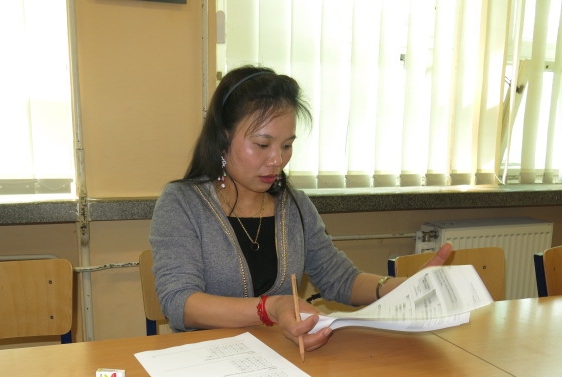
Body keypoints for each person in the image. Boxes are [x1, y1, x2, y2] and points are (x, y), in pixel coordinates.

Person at [149, 65, 451, 351]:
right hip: (204, 361)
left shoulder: (294, 206)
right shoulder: (183, 203)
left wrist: (401, 288)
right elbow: (180, 303)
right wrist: (271, 308)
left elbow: (339, 278)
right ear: (223, 138)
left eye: (286, 145)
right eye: (262, 144)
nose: (277, 160)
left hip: (280, 356)